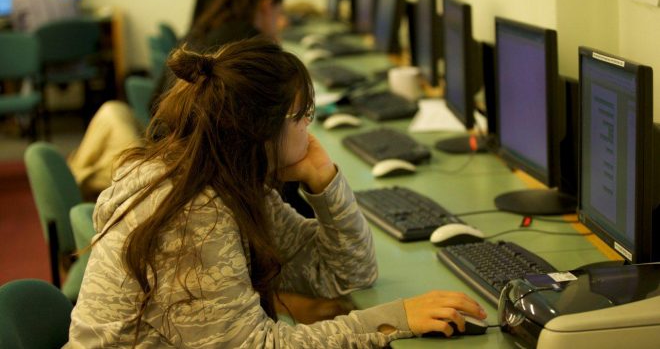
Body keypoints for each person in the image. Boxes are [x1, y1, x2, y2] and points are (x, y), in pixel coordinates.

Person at [65, 38, 487, 347]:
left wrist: (323, 180)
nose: (308, 128)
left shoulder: (232, 180)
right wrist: (395, 319)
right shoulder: (194, 214)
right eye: (302, 116)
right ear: (262, 130)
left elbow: (346, 273)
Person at [68, 0, 286, 201]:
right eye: (280, 12)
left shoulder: (204, 27)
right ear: (266, 4)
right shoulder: (248, 46)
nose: (282, 21)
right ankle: (87, 181)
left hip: (163, 142)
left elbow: (153, 102)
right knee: (112, 114)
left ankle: (77, 181)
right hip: (174, 163)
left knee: (111, 113)